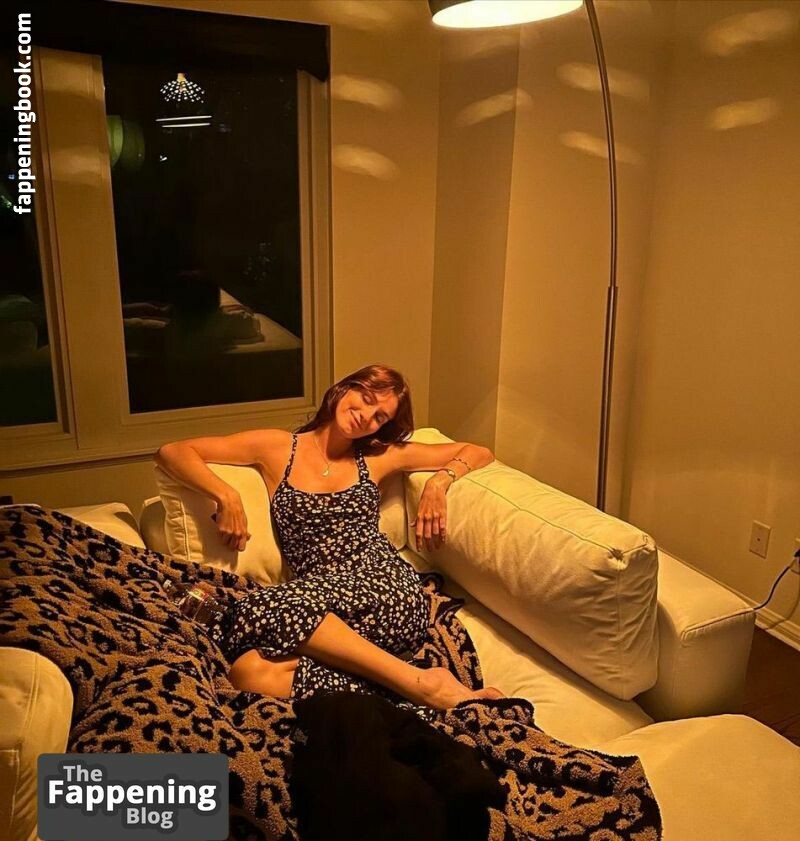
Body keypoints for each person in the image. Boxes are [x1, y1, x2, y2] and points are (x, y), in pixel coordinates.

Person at [155, 363, 504, 710]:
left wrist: (439, 482)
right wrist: (226, 496)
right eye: (365, 398)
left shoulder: (378, 457)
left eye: (380, 417)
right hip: (321, 609)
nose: (366, 415)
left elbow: (479, 452)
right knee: (248, 673)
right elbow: (173, 452)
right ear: (345, 388)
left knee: (253, 608)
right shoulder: (277, 447)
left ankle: (424, 687)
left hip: (386, 587)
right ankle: (410, 682)